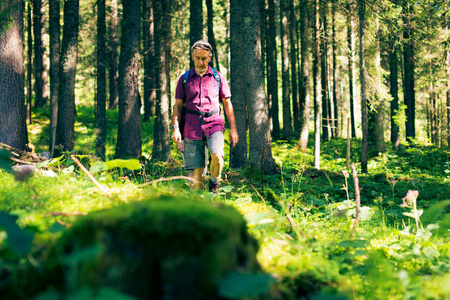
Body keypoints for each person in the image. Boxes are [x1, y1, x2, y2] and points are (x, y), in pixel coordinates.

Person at [171, 40, 238, 192]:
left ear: (210, 57)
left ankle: (214, 184)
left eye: (204, 58)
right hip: (191, 126)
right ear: (192, 57)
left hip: (214, 123)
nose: (201, 62)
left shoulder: (218, 77)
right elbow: (178, 106)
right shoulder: (185, 79)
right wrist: (175, 128)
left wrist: (233, 128)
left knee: (217, 156)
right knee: (196, 182)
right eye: (197, 58)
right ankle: (202, 204)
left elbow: (227, 103)